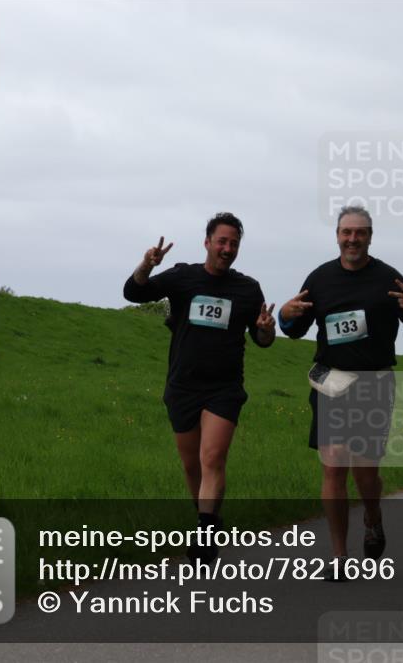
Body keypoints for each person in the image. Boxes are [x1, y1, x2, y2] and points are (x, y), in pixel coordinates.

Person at [279, 206, 403, 574]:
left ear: (370, 236)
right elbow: (293, 329)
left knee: (365, 472)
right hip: (331, 379)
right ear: (337, 236)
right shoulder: (320, 279)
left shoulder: (389, 278)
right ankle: (338, 556)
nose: (352, 239)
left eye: (360, 233)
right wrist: (285, 313)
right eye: (346, 232)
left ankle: (373, 516)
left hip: (374, 382)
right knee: (333, 465)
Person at [123, 213, 275, 562]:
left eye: (234, 243)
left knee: (212, 458)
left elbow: (263, 339)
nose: (227, 248)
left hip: (224, 387)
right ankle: (207, 517)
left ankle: (205, 536)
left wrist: (266, 328)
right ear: (207, 242)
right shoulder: (183, 277)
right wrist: (146, 264)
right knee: (192, 466)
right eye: (222, 241)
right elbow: (133, 292)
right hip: (183, 386)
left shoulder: (248, 289)